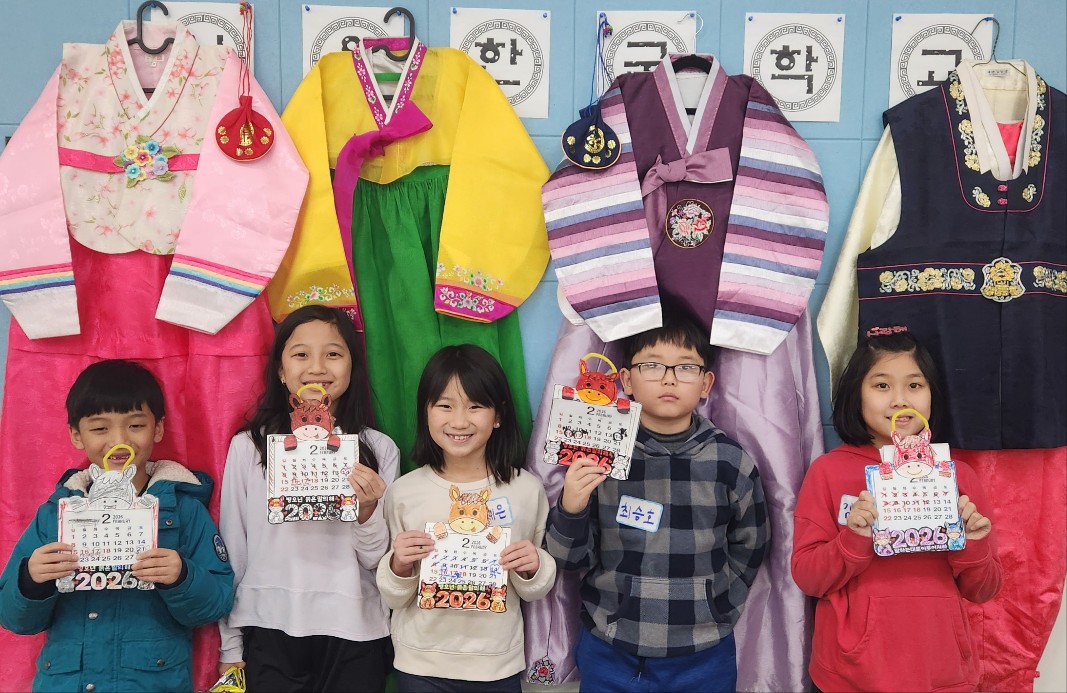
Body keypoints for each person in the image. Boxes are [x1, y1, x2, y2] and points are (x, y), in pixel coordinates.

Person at [545, 314, 769, 693]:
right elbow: (568, 561)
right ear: (627, 380)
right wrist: (571, 507)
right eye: (651, 365)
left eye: (686, 367)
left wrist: (717, 606)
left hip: (704, 653)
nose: (669, 379)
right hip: (611, 648)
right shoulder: (602, 456)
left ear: (706, 384)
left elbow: (752, 543)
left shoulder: (729, 460)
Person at [0, 359, 234, 692]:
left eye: (135, 425)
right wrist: (31, 580)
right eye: (100, 429)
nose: (119, 440)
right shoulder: (55, 514)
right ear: (76, 435)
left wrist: (182, 576)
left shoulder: (183, 511)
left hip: (152, 682)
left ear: (158, 429)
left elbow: (216, 604)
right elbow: (14, 618)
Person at [791, 328, 1002, 692]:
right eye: (882, 385)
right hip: (853, 673)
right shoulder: (827, 471)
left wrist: (974, 543)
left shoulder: (957, 475)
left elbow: (984, 590)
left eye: (915, 385)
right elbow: (808, 578)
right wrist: (853, 538)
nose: (900, 399)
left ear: (933, 394)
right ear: (855, 393)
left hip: (941, 670)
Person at [217, 305, 399, 692]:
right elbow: (234, 549)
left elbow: (378, 561)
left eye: (333, 353)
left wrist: (367, 511)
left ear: (353, 366)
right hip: (269, 623)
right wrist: (230, 643)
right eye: (301, 354)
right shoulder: (250, 447)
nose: (317, 367)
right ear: (281, 371)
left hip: (356, 628)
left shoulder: (378, 449)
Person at [378, 345, 555, 693]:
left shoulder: (525, 489)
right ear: (426, 412)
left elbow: (533, 589)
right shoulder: (404, 491)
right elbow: (393, 596)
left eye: (475, 406)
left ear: (498, 414)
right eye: (445, 406)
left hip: (497, 662)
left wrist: (534, 566)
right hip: (420, 662)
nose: (459, 421)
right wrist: (399, 565)